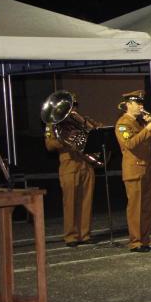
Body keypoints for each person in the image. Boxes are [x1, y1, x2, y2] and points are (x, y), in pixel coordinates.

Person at [44, 93, 99, 247]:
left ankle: (85, 234)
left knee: (86, 201)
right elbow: (49, 145)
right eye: (70, 106)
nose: (73, 109)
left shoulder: (83, 120)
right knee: (70, 202)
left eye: (74, 105)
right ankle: (71, 236)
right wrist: (65, 139)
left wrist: (82, 122)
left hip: (86, 164)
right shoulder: (54, 124)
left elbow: (98, 130)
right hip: (69, 165)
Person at [115, 91, 151, 252]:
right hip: (134, 169)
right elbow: (130, 144)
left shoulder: (139, 123)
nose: (141, 106)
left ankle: (145, 239)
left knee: (147, 207)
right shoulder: (123, 123)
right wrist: (147, 129)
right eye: (137, 103)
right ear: (128, 105)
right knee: (136, 208)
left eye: (141, 103)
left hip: (147, 167)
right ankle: (136, 241)